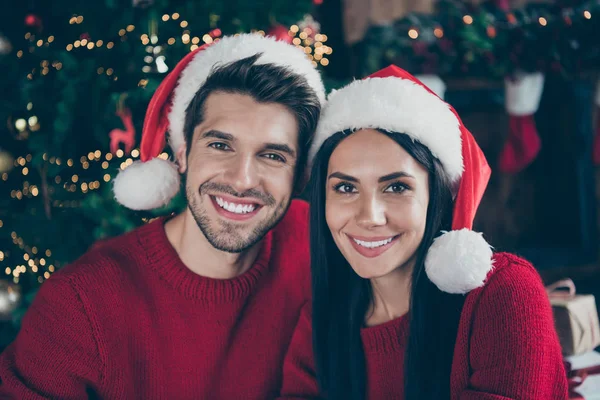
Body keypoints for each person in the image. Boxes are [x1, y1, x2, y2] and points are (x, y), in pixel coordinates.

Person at [0, 33, 325, 399]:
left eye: (273, 156)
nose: (242, 180)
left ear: (300, 175)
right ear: (183, 151)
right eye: (220, 145)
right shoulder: (81, 304)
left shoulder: (323, 246)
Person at [278, 65, 568, 400]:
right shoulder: (320, 319)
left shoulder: (503, 293)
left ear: (437, 198)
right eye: (345, 187)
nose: (369, 217)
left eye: (396, 187)